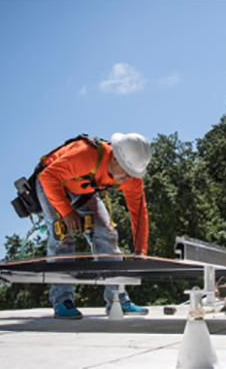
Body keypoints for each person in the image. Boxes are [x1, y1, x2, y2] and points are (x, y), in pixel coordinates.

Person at [35, 133, 152, 319]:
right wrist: (67, 212)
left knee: (106, 234)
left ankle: (117, 299)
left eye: (133, 174)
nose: (128, 179)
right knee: (62, 236)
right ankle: (62, 300)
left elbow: (139, 214)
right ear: (114, 157)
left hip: (83, 190)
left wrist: (140, 250)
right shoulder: (86, 154)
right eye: (126, 172)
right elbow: (48, 177)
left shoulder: (131, 179)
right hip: (52, 182)